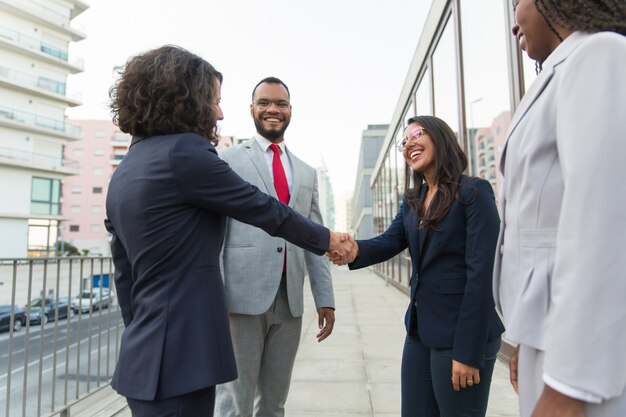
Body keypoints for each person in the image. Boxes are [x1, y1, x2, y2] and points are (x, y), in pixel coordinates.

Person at [104, 45, 351, 417]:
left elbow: (125, 274)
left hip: (143, 356)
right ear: (186, 99)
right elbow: (263, 209)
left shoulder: (126, 168)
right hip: (184, 359)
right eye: (214, 101)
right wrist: (328, 239)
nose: (219, 112)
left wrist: (147, 337)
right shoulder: (187, 152)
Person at [493, 1, 626, 416]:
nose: (514, 15)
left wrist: (569, 385)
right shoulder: (559, 72)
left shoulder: (600, 55)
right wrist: (525, 340)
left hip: (587, 365)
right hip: (548, 338)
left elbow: (602, 225)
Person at [329, 115, 504, 417]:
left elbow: (482, 276)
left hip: (461, 336)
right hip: (420, 332)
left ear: (440, 137)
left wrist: (468, 351)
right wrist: (354, 249)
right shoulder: (414, 199)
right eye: (404, 141)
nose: (408, 143)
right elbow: (389, 241)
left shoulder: (474, 192)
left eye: (417, 134)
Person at [214, 77, 335, 417]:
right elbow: (216, 234)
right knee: (233, 402)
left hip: (289, 303)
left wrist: (325, 297)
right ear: (252, 109)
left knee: (274, 403)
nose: (273, 109)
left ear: (290, 111)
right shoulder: (227, 160)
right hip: (240, 301)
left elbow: (315, 237)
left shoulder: (307, 172)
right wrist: (217, 296)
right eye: (264, 102)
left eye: (280, 104)